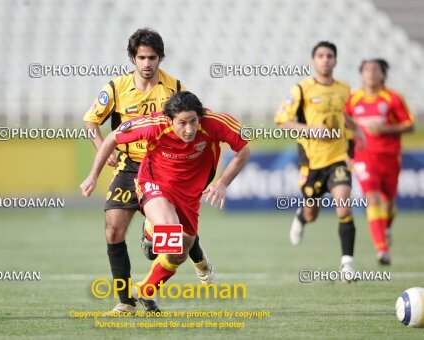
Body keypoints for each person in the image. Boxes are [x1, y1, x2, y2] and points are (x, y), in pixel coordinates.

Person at [81, 28, 212, 314]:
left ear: (160, 58)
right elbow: (91, 123)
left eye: (152, 57)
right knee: (113, 229)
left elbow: (194, 122)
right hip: (129, 167)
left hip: (165, 167)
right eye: (141, 57)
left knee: (172, 237)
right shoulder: (115, 88)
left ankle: (174, 270)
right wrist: (104, 152)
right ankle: (126, 302)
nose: (147, 63)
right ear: (133, 58)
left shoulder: (175, 87)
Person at [81, 91, 250, 311]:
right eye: (182, 123)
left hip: (190, 195)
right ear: (170, 119)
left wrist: (222, 183)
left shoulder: (215, 122)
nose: (189, 130)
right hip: (154, 183)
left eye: (193, 122)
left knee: (178, 252)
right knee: (170, 234)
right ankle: (153, 229)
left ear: (200, 117)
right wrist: (93, 175)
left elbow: (243, 149)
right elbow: (113, 137)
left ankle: (147, 290)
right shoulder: (153, 124)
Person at [275, 41, 365, 280]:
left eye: (330, 56)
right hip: (312, 163)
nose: (325, 59)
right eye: (321, 56)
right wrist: (309, 129)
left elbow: (345, 116)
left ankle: (347, 265)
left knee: (343, 202)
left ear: (335, 60)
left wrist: (357, 131)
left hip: (337, 159)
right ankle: (301, 217)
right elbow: (282, 120)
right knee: (312, 213)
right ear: (313, 61)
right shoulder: (301, 89)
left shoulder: (345, 89)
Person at [345, 58, 414, 265]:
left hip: (390, 157)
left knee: (389, 204)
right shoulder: (353, 99)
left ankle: (386, 228)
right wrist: (348, 154)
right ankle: (382, 250)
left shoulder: (392, 98)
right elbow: (344, 126)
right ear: (361, 74)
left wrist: (385, 129)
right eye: (367, 69)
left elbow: (409, 125)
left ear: (383, 74)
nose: (371, 73)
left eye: (376, 70)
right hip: (364, 157)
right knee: (372, 199)